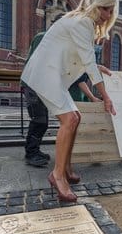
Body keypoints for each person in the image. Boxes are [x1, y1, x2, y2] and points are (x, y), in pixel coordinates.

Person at [21, 0, 118, 202]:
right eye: (104, 8)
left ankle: (65, 168)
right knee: (70, 119)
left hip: (53, 75)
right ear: (94, 4)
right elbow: (88, 61)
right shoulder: (83, 22)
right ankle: (57, 175)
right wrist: (106, 96)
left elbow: (81, 58)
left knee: (76, 117)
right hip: (45, 74)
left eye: (111, 10)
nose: (107, 15)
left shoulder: (83, 22)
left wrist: (96, 67)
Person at [15, 32, 102, 168]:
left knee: (42, 120)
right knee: (39, 120)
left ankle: (34, 150)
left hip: (41, 84)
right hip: (34, 83)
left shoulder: (47, 37)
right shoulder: (46, 38)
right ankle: (31, 154)